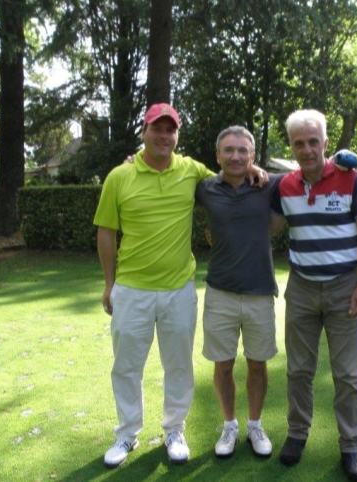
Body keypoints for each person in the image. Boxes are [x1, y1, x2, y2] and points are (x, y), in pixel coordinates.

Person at [93, 104, 266, 469]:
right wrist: (109, 284)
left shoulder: (191, 171)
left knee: (179, 366)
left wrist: (252, 166)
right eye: (157, 128)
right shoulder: (118, 177)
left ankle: (174, 430)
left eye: (170, 130)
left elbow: (228, 173)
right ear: (144, 132)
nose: (164, 136)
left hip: (178, 290)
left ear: (177, 136)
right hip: (131, 289)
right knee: (126, 366)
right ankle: (127, 432)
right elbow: (106, 233)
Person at [270, 109, 357, 482]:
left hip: (343, 287)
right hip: (300, 287)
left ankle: (351, 446)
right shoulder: (283, 186)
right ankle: (297, 435)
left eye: (313, 141)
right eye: (299, 143)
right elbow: (267, 226)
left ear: (326, 144)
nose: (307, 149)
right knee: (298, 369)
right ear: (292, 146)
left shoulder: (351, 179)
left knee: (348, 374)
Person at [194, 126, 282, 459]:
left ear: (253, 156)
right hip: (220, 293)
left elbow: (308, 173)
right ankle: (229, 426)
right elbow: (168, 170)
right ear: (217, 156)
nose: (235, 156)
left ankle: (255, 425)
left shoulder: (268, 184)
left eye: (243, 151)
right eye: (228, 150)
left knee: (258, 366)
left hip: (260, 292)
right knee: (223, 367)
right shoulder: (203, 188)